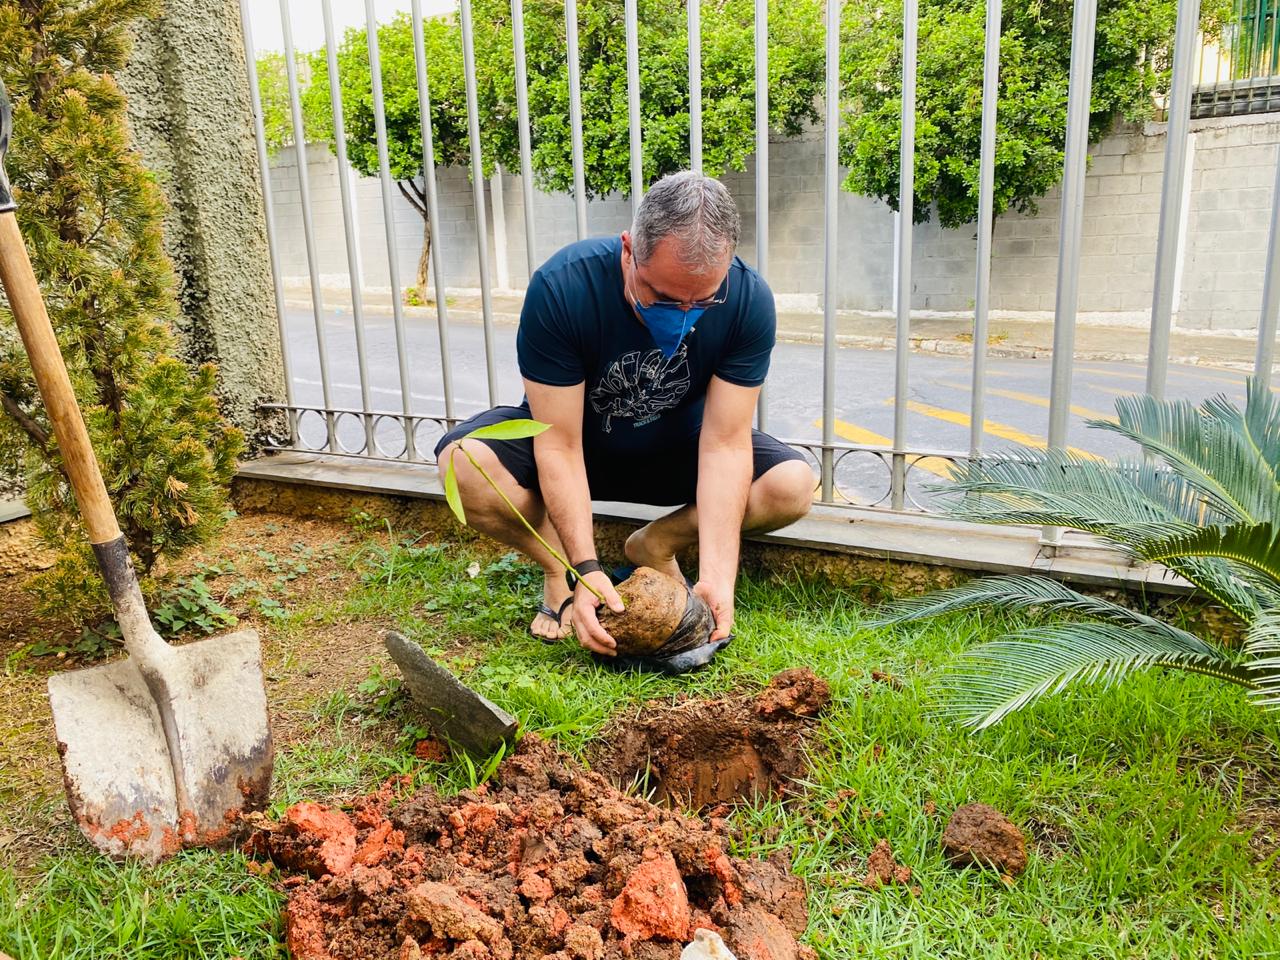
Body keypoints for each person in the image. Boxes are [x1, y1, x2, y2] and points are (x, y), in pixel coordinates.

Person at [435, 171, 814, 656]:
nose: (684, 316)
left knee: (792, 485)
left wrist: (719, 576)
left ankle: (653, 545)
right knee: (464, 466)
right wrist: (584, 569)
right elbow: (559, 442)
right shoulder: (564, 287)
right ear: (629, 249)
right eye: (665, 298)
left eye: (704, 301)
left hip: (679, 448)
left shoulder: (746, 299)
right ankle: (559, 574)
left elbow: (725, 443)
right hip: (581, 446)